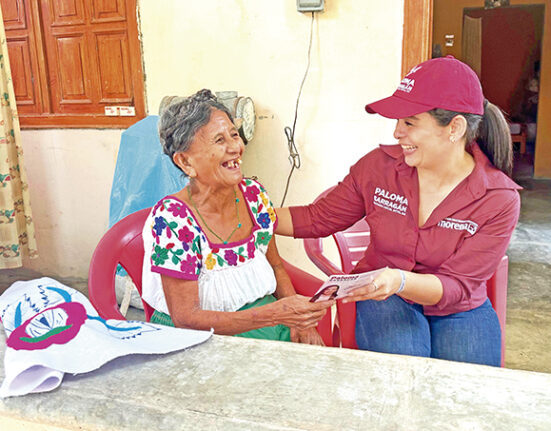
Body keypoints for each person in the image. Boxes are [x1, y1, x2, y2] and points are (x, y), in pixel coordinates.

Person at [276, 56, 521, 366]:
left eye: (409, 122)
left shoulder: (497, 198)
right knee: (404, 368)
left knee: (468, 387)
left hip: (457, 307)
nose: (396, 133)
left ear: (454, 128)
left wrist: (400, 279)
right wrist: (253, 215)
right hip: (384, 297)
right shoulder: (378, 168)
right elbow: (318, 217)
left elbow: (457, 287)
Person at [141, 89, 333, 345]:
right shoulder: (173, 220)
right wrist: (272, 315)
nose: (236, 147)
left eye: (234, 134)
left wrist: (301, 324)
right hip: (199, 340)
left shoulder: (254, 196)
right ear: (186, 162)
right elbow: (186, 318)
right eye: (219, 140)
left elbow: (275, 265)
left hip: (268, 327)